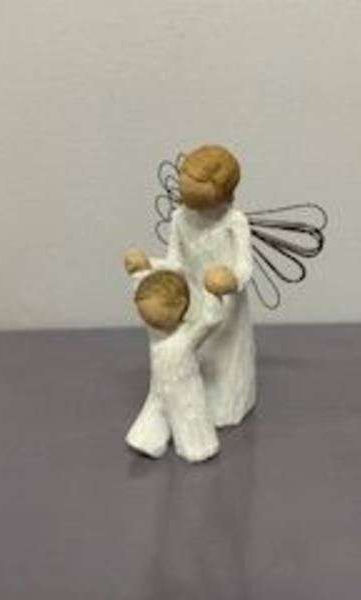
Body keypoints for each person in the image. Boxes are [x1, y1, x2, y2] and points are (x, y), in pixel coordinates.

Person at [124, 145, 256, 427]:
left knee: (224, 361)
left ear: (222, 192)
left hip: (227, 306)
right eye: (185, 187)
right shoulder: (179, 219)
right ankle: (195, 408)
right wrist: (148, 264)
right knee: (197, 357)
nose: (186, 196)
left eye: (197, 189)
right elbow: (176, 263)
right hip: (194, 300)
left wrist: (230, 279)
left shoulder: (235, 222)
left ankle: (227, 407)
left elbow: (245, 268)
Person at [126, 269, 223, 463]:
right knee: (154, 411)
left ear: (180, 305)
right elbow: (141, 289)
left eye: (154, 317)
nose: (149, 322)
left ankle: (198, 447)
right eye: (145, 317)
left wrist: (212, 294)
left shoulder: (188, 334)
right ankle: (147, 440)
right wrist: (138, 271)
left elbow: (210, 322)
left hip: (184, 390)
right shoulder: (157, 335)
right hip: (159, 388)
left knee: (189, 416)